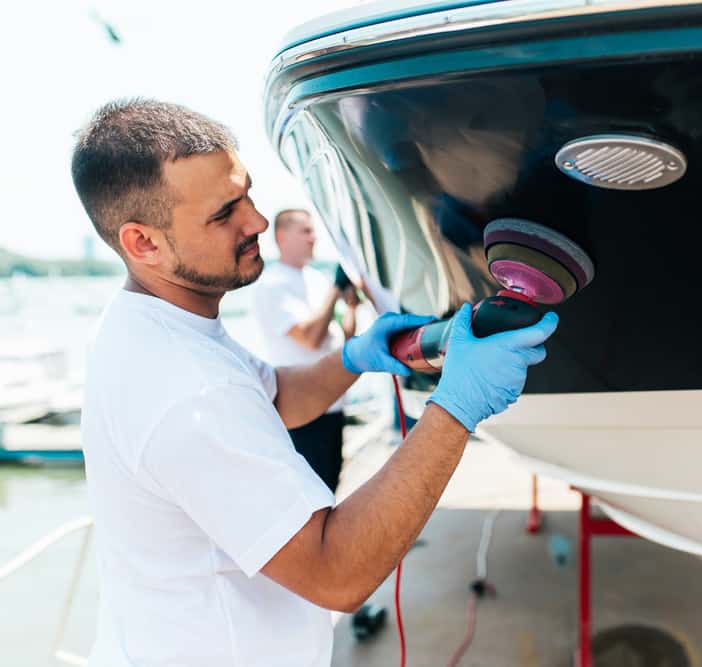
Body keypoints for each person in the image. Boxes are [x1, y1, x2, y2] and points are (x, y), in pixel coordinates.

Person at [71, 98, 557, 667]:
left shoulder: (152, 324)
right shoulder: (186, 390)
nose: (256, 221)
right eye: (224, 212)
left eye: (247, 191)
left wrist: (356, 356)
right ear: (143, 243)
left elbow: (273, 398)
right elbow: (337, 573)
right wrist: (454, 410)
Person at [253, 209, 357, 493]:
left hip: (334, 402)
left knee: (330, 486)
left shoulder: (316, 278)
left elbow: (343, 337)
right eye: (305, 231)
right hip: (304, 409)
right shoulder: (273, 284)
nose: (314, 238)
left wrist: (350, 304)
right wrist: (336, 290)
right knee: (313, 494)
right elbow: (310, 339)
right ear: (281, 237)